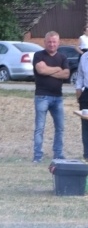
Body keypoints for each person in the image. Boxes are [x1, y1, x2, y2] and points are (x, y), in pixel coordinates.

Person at [32, 31, 70, 163]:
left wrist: (49, 69)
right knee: (39, 128)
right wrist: (57, 69)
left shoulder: (63, 57)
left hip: (58, 97)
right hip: (42, 96)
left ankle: (58, 154)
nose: (52, 44)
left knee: (60, 128)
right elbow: (41, 70)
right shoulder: (38, 55)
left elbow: (66, 75)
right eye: (49, 41)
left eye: (54, 42)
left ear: (58, 43)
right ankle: (37, 156)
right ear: (45, 42)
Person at [73, 46, 88, 162]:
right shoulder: (84, 57)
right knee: (86, 126)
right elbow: (80, 76)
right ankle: (86, 155)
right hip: (86, 94)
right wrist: (78, 92)